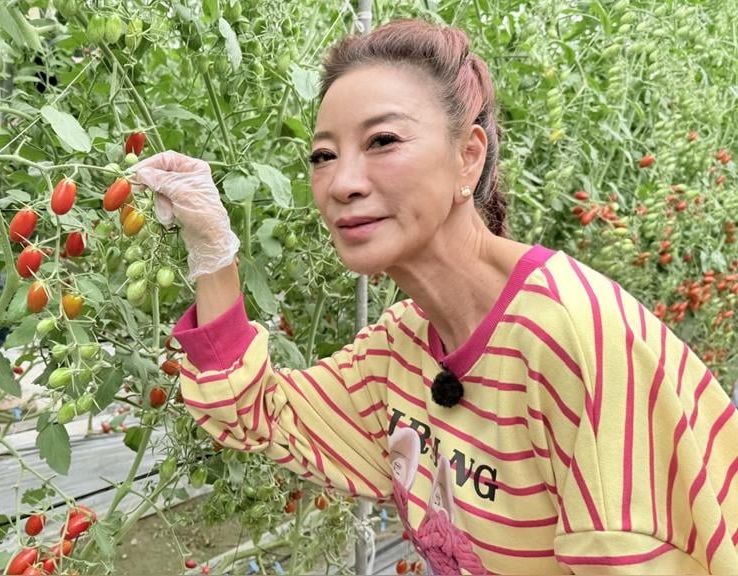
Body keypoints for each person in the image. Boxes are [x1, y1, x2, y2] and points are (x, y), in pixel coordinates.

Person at [131, 18, 738, 575]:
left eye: (382, 141)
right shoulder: (402, 349)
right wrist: (212, 247)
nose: (342, 182)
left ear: (468, 158)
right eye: (323, 155)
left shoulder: (578, 341)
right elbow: (256, 411)